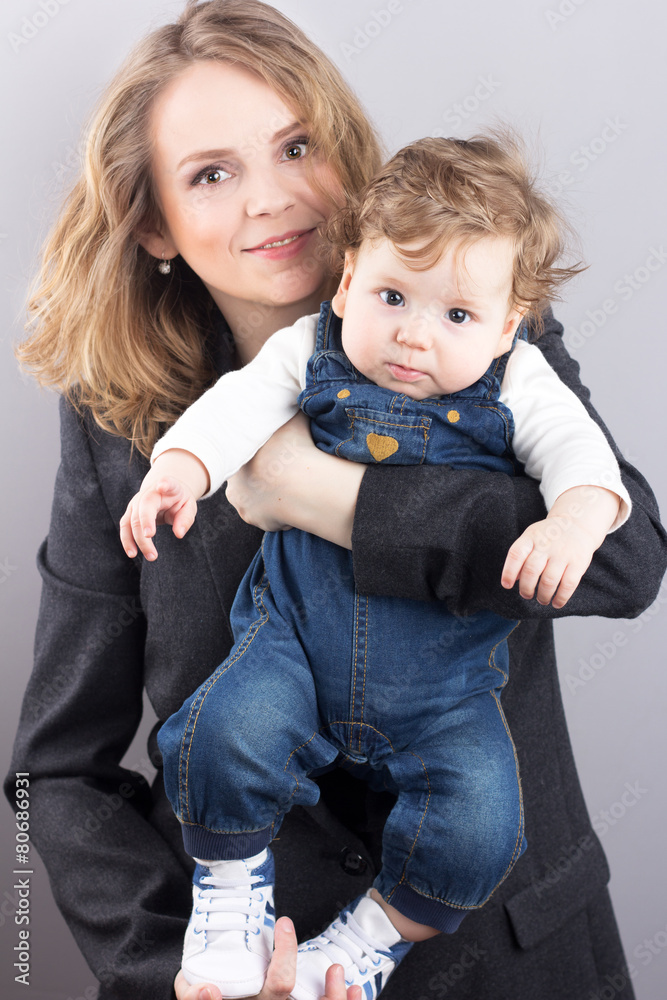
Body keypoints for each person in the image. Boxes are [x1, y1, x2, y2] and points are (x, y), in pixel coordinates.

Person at [4, 1, 665, 999]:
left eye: (295, 146)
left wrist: (334, 499)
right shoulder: (115, 425)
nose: (271, 199)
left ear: (344, 152)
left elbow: (625, 558)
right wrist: (168, 970)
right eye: (212, 174)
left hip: (518, 959)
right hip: (251, 965)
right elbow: (55, 774)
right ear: (153, 224)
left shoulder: (474, 326)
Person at [121, 134, 631, 1000]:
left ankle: (370, 938)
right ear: (349, 278)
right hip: (292, 649)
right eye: (391, 296)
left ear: (506, 326)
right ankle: (230, 893)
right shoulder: (308, 348)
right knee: (223, 734)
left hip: (445, 692)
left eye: (457, 317)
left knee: (481, 822)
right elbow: (234, 408)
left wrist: (574, 517)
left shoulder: (520, 380)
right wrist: (179, 470)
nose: (412, 336)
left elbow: (585, 465)